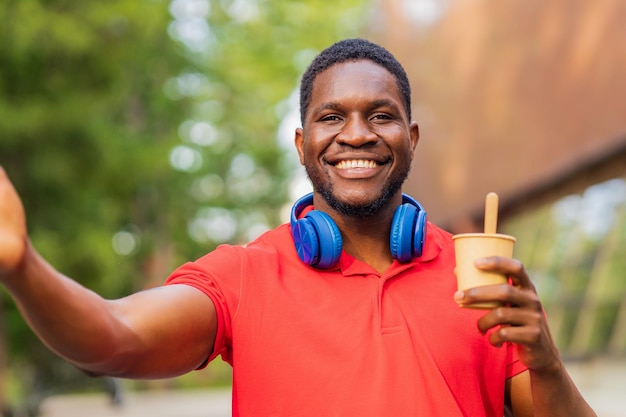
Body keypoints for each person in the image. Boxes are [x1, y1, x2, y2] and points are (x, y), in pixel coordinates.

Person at [0, 38, 596, 417]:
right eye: (331, 117)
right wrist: (22, 265)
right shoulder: (244, 276)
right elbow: (111, 339)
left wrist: (544, 362)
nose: (357, 134)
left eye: (381, 116)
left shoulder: (482, 278)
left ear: (411, 141)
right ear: (302, 145)